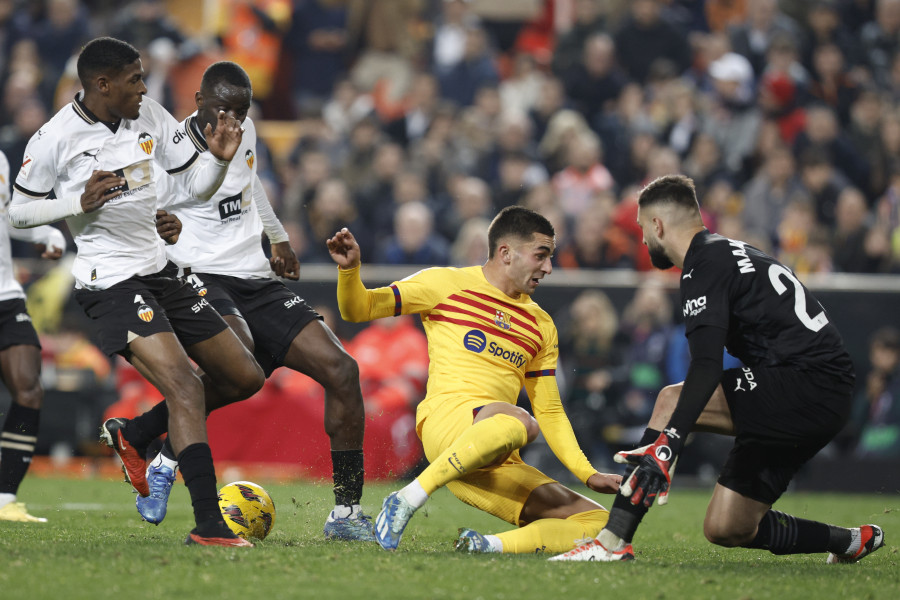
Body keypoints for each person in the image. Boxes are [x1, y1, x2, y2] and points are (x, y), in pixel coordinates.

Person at [8, 37, 265, 547]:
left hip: (161, 269)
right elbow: (17, 213)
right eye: (135, 80)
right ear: (102, 84)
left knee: (243, 376)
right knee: (186, 389)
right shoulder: (54, 137)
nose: (145, 87)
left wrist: (215, 162)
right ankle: (209, 525)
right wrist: (73, 201)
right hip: (111, 282)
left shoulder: (148, 114)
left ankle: (136, 434)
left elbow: (190, 188)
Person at [551, 174, 885, 563]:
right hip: (810, 391)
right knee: (727, 527)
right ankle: (847, 541)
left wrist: (668, 443)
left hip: (806, 384)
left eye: (643, 228)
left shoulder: (703, 264)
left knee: (670, 401)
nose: (643, 240)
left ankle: (613, 542)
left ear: (657, 225)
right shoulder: (729, 252)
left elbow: (707, 367)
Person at [128, 61, 373, 541]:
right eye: (223, 109)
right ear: (197, 100)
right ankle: (159, 450)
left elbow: (249, 179)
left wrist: (277, 237)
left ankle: (345, 515)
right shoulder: (166, 152)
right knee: (240, 368)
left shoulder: (246, 129)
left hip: (255, 277)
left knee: (343, 370)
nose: (233, 122)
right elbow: (151, 211)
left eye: (241, 111)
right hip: (198, 275)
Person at [326, 206, 622, 554]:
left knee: (601, 526)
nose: (548, 268)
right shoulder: (444, 283)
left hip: (491, 455)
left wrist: (588, 474)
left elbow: (552, 411)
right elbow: (358, 309)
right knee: (521, 421)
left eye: (551, 257)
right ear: (506, 253)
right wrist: (350, 272)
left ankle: (484, 547)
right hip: (447, 425)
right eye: (541, 255)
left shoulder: (541, 325)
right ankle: (408, 497)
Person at [0, 149, 65, 522]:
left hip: (6, 295)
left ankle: (5, 498)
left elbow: (8, 216)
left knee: (29, 389)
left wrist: (44, 231)